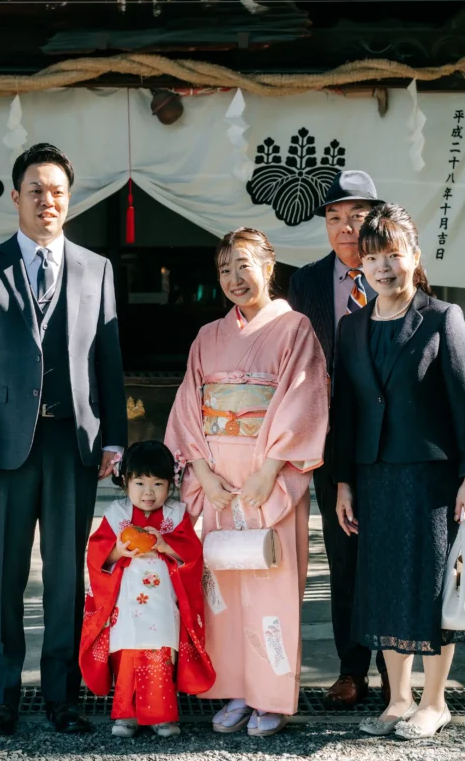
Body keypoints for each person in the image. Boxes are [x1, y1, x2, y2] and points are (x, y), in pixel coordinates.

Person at [0, 143, 127, 736]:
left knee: (65, 577)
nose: (46, 200)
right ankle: (1, 696)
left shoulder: (96, 268)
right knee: (1, 575)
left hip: (72, 443)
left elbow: (108, 361)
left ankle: (62, 697)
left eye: (57, 191)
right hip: (3, 448)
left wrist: (115, 439)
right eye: (35, 190)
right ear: (16, 197)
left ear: (69, 199)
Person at [331, 203, 465, 740]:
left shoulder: (443, 317)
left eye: (393, 254)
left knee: (428, 588)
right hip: (374, 477)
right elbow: (346, 410)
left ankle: (434, 701)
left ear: (415, 257)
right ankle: (398, 699)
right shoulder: (352, 327)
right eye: (373, 257)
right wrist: (344, 481)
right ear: (362, 265)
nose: (383, 266)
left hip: (430, 481)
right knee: (383, 586)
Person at [164, 228, 328, 737]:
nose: (234, 278)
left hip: (268, 480)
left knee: (272, 587)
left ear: (268, 268)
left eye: (244, 266)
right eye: (225, 270)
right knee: (223, 588)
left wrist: (269, 470)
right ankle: (235, 689)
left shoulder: (295, 327)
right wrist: (204, 474)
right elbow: (188, 406)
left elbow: (304, 399)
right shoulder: (208, 336)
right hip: (219, 481)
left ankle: (270, 695)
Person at [285, 170, 389, 707]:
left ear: (375, 220)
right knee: (344, 556)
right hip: (330, 439)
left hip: (391, 439)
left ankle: (397, 668)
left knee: (390, 553)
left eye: (356, 216)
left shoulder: (395, 270)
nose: (346, 227)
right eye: (334, 217)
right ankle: (352, 669)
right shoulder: (305, 282)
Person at [79, 440, 215, 738]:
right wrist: (117, 551)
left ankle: (161, 716)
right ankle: (126, 715)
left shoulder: (176, 515)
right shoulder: (116, 514)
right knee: (126, 654)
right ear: (125, 481)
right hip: (125, 602)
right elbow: (97, 555)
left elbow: (192, 555)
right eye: (139, 483)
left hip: (162, 603)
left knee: (159, 654)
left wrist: (166, 545)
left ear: (171, 484)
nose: (148, 492)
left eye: (158, 484)